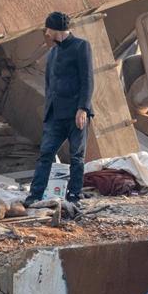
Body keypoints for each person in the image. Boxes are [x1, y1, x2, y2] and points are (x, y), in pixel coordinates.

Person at [25, 12, 93, 206]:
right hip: (55, 114)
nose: (46, 32)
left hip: (75, 113)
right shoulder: (53, 52)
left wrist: (83, 109)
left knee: (76, 157)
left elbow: (88, 80)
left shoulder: (81, 46)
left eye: (48, 29)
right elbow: (49, 85)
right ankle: (35, 195)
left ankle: (74, 195)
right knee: (45, 154)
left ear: (55, 29)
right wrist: (47, 113)